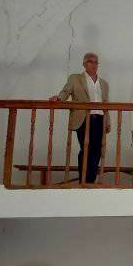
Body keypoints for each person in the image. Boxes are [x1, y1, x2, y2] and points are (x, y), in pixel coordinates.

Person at [50, 52, 109, 184]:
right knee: (86, 148)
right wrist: (58, 98)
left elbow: (106, 104)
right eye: (90, 61)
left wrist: (107, 122)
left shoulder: (104, 83)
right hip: (83, 118)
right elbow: (66, 91)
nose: (93, 64)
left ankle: (90, 181)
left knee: (97, 150)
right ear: (84, 63)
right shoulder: (75, 78)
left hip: (99, 119)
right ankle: (83, 180)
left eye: (95, 62)